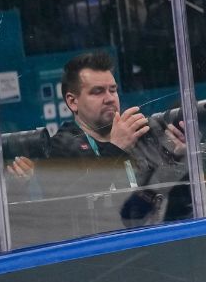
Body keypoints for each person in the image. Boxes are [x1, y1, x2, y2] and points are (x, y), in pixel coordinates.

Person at [49, 51, 192, 226]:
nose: (109, 99)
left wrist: (176, 161)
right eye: (97, 92)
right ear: (72, 102)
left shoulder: (138, 137)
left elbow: (167, 208)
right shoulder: (61, 146)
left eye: (113, 90)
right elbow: (70, 206)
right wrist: (116, 148)